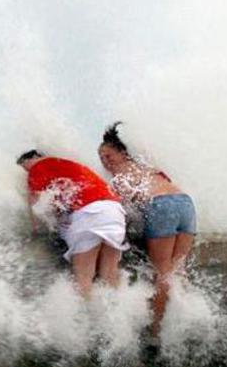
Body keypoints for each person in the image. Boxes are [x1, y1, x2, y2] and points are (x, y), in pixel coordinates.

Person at [98, 123, 197, 336]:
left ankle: (156, 331)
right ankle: (184, 326)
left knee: (162, 272)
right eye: (101, 159)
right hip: (186, 203)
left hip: (161, 206)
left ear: (123, 153)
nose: (105, 162)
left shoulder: (120, 178)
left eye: (108, 155)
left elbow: (121, 212)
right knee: (178, 270)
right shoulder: (148, 168)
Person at [17, 149, 129, 297]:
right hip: (114, 211)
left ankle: (86, 319)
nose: (26, 171)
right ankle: (118, 316)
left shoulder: (37, 167)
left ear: (33, 158)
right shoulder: (69, 166)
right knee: (109, 275)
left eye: (25, 166)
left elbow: (35, 201)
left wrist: (35, 230)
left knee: (83, 279)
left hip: (89, 214)